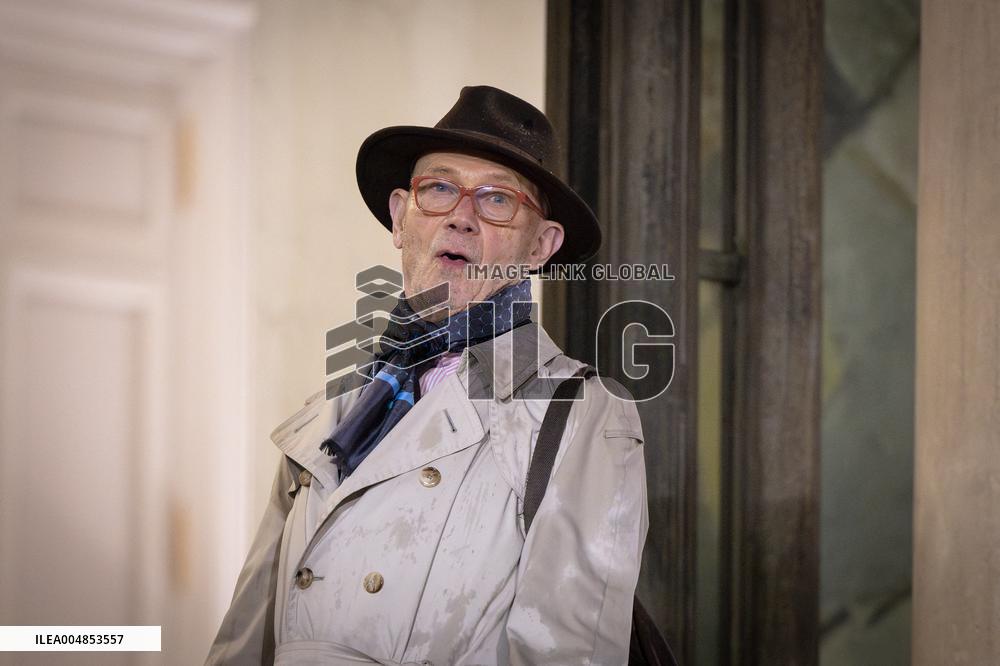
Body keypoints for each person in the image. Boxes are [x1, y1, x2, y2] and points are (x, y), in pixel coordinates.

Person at [206, 85, 649, 666]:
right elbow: (242, 644)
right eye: (438, 188)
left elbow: (571, 654)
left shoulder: (580, 412)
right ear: (400, 216)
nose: (461, 217)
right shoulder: (327, 415)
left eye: (497, 200)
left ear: (540, 245)